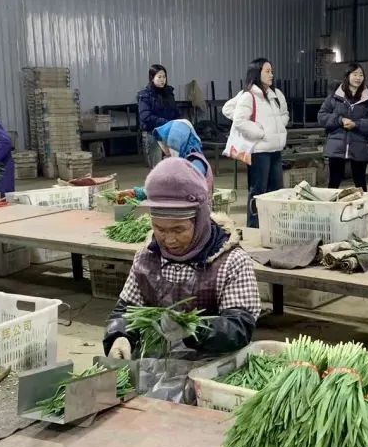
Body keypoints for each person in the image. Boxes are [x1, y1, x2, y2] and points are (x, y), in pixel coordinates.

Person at [104, 157, 261, 359]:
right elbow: (125, 310)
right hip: (158, 365)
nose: (169, 240)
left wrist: (192, 328)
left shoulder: (231, 261)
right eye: (160, 229)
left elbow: (238, 328)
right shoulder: (147, 258)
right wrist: (119, 336)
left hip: (212, 365)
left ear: (200, 219)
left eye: (179, 230)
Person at [222, 58, 288, 228]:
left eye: (271, 71)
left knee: (276, 190)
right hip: (259, 151)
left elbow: (284, 114)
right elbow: (239, 121)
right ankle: (254, 226)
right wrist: (260, 132)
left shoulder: (275, 94)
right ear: (257, 73)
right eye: (267, 71)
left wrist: (279, 126)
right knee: (258, 190)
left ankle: (272, 226)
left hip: (275, 149)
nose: (271, 74)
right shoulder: (248, 95)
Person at [118, 119, 212, 201]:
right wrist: (136, 193)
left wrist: (145, 192)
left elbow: (179, 187)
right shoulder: (177, 162)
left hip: (194, 210)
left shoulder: (196, 162)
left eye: (170, 144)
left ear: (180, 141)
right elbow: (163, 184)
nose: (166, 148)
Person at [318, 62, 368, 189]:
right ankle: (332, 203)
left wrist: (356, 124)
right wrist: (340, 120)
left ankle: (363, 203)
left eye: (361, 75)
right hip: (337, 147)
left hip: (359, 147)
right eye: (355, 74)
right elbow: (321, 116)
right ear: (347, 76)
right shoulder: (335, 96)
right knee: (334, 183)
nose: (358, 78)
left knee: (360, 184)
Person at [138, 64, 182, 167]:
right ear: (152, 78)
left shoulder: (169, 93)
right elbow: (145, 116)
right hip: (153, 134)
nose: (162, 80)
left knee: (173, 167)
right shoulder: (145, 95)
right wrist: (166, 122)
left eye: (164, 77)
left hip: (169, 133)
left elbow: (175, 112)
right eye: (159, 77)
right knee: (157, 168)